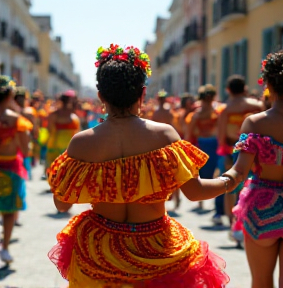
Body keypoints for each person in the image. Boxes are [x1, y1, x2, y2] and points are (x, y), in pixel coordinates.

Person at [47, 44, 244, 288]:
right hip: (157, 248)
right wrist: (234, 177)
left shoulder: (82, 142)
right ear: (143, 94)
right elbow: (195, 192)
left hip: (99, 249)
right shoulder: (164, 135)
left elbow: (61, 204)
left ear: (100, 96)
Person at [230, 50, 283, 288]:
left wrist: (213, 184)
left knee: (261, 282)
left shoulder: (256, 122)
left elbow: (239, 171)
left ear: (269, 85)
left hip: (262, 209)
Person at [214, 75, 264, 226]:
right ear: (245, 88)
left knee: (231, 187)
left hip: (232, 149)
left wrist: (224, 152)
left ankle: (233, 223)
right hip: (257, 150)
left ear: (228, 90)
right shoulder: (257, 105)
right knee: (254, 184)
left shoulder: (226, 109)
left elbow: (221, 135)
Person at [0, 76, 31, 263]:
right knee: (9, 210)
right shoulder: (16, 120)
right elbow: (25, 150)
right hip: (10, 167)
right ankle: (5, 247)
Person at [186, 84, 224, 210]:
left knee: (206, 172)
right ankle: (204, 198)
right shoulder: (216, 112)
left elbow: (189, 133)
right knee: (210, 171)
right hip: (208, 143)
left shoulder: (197, 114)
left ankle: (202, 199)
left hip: (204, 143)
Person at [46, 90, 80, 176]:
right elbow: (77, 132)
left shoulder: (54, 114)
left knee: (54, 167)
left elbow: (50, 129)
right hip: (69, 144)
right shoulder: (74, 117)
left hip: (55, 143)